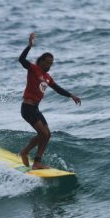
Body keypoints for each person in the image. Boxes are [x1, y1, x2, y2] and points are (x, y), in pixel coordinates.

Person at [18, 32, 81, 169]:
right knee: (43, 133)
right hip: (27, 108)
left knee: (47, 135)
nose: (49, 65)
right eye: (47, 63)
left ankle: (27, 154)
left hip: (35, 109)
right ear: (40, 61)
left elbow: (57, 88)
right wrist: (29, 46)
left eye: (51, 63)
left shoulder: (47, 77)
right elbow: (21, 60)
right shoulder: (33, 69)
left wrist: (71, 95)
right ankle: (35, 162)